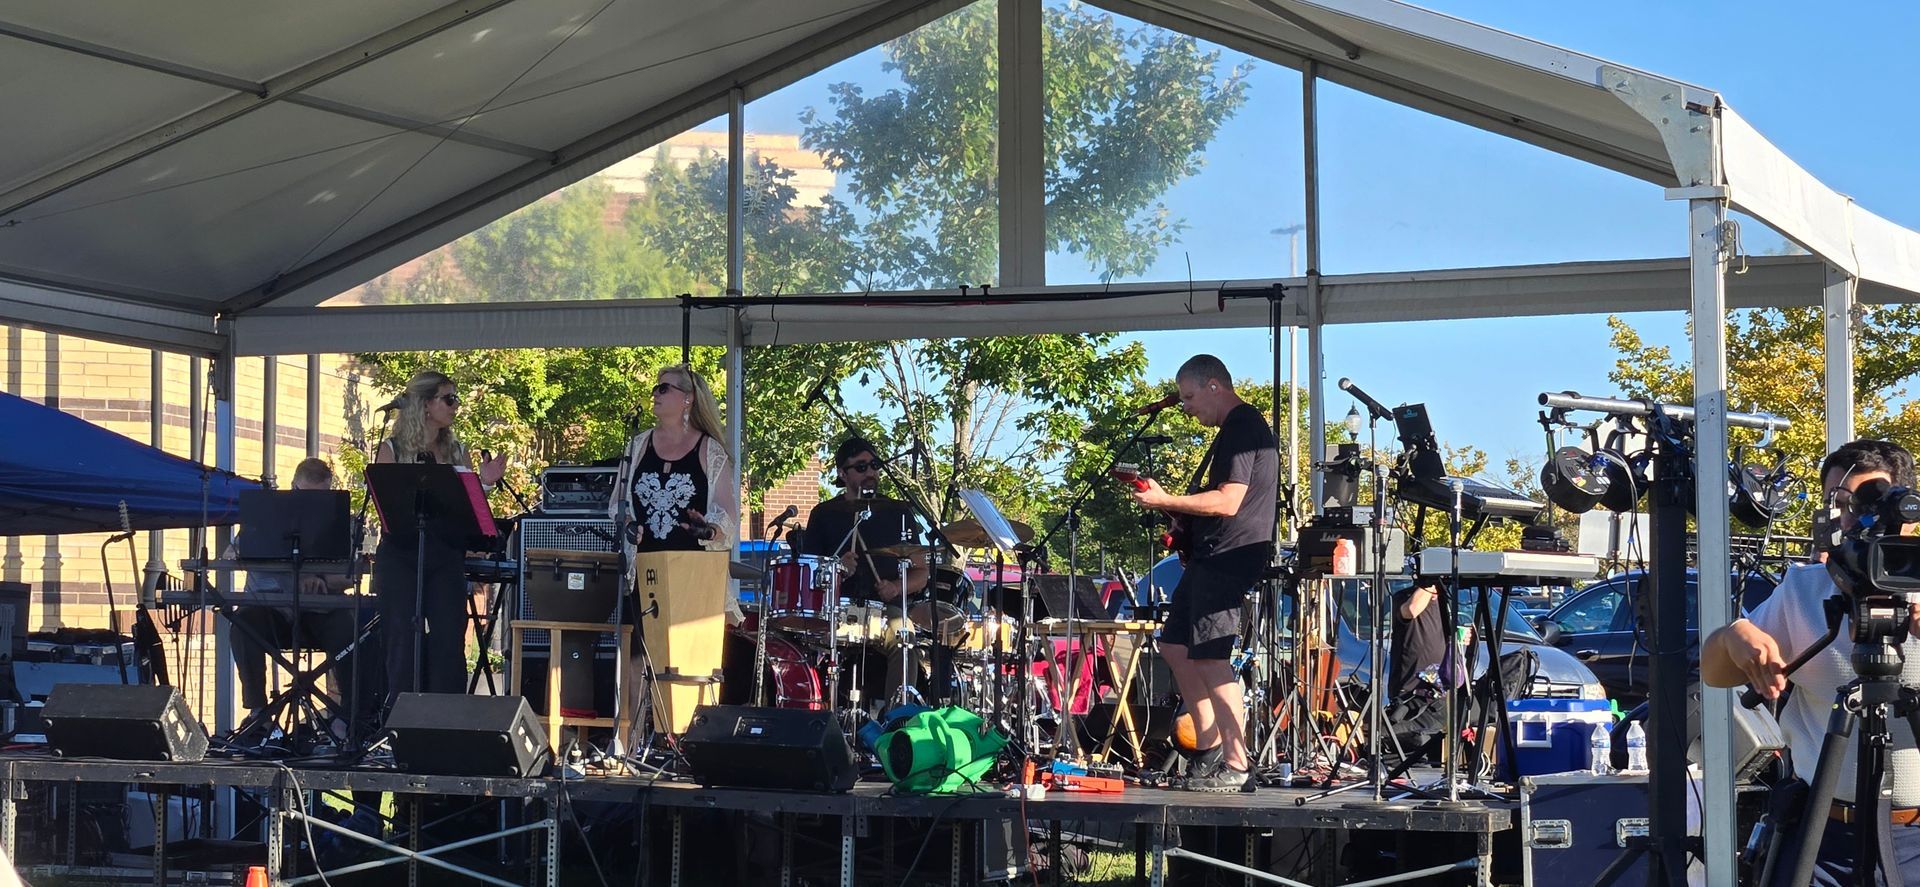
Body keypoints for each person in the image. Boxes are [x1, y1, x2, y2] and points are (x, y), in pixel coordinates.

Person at [1702, 440, 1920, 884]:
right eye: (1840, 503)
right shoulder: (1804, 590)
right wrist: (1733, 637)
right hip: (1822, 838)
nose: (1854, 517)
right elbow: (1713, 672)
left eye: (1870, 502)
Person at [1129, 354, 1277, 792]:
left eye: (1190, 397)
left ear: (1215, 385)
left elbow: (1229, 501)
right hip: (1214, 552)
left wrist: (1168, 500)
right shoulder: (1235, 429)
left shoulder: (1243, 426)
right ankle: (1209, 744)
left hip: (1231, 554)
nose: (1186, 407)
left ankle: (1237, 762)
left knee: (1212, 656)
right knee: (1174, 645)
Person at [608, 364, 740, 718]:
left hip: (691, 569)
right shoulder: (638, 445)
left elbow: (728, 513)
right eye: (655, 388)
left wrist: (708, 528)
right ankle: (630, 736)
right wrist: (629, 523)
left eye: (663, 388)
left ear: (688, 399)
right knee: (638, 649)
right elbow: (618, 504)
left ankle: (686, 731)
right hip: (647, 564)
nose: (655, 394)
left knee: (687, 653)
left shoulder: (709, 450)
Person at [372, 370, 505, 702]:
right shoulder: (391, 448)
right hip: (401, 553)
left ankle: (447, 723)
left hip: (445, 554)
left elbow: (466, 508)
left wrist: (485, 483)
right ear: (426, 404)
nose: (455, 405)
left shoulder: (456, 449)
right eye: (449, 398)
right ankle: (399, 722)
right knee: (401, 638)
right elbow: (386, 506)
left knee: (449, 639)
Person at [226, 458, 373, 740]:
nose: (312, 505)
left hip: (320, 611)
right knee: (243, 624)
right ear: (294, 487)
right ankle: (259, 712)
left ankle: (347, 717)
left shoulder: (338, 521)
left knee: (351, 632)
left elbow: (351, 574)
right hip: (273, 611)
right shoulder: (267, 516)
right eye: (306, 495)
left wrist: (321, 580)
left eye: (320, 497)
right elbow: (232, 555)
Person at [801, 436, 930, 710]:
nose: (870, 472)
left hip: (884, 614)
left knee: (905, 637)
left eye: (874, 465)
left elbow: (921, 573)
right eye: (860, 467)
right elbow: (809, 575)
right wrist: (838, 570)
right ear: (841, 473)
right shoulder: (824, 514)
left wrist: (896, 587)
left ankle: (897, 721)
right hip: (836, 611)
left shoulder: (899, 513)